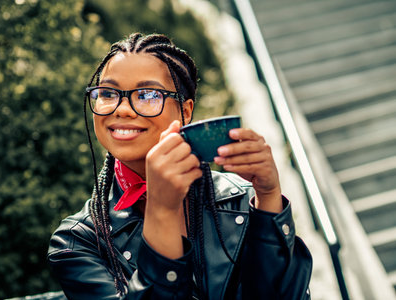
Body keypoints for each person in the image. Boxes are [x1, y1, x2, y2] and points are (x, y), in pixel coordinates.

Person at [48, 33, 312, 299]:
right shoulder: (75, 244)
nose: (123, 109)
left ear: (186, 111)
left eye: (147, 94)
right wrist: (162, 210)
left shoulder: (242, 198)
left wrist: (268, 196)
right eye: (107, 93)